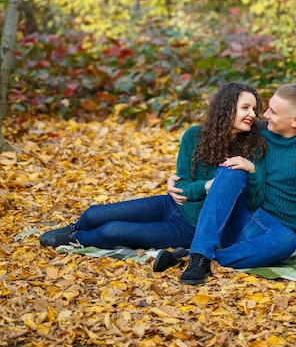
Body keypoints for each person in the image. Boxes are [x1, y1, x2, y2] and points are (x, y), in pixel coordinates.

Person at [39, 82, 267, 262]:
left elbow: (254, 200)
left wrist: (251, 170)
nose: (251, 114)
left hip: (189, 226)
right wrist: (206, 186)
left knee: (112, 231)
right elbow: (182, 184)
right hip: (170, 204)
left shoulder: (253, 147)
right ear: (226, 109)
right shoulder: (194, 136)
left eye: (254, 109)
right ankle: (75, 226)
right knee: (93, 214)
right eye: (245, 107)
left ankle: (75, 238)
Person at [163, 82, 296, 285]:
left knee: (287, 242)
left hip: (273, 229)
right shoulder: (258, 129)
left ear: (295, 120)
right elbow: (214, 144)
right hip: (241, 212)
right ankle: (199, 256)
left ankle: (191, 258)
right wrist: (181, 179)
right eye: (267, 108)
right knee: (233, 170)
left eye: (273, 112)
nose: (265, 115)